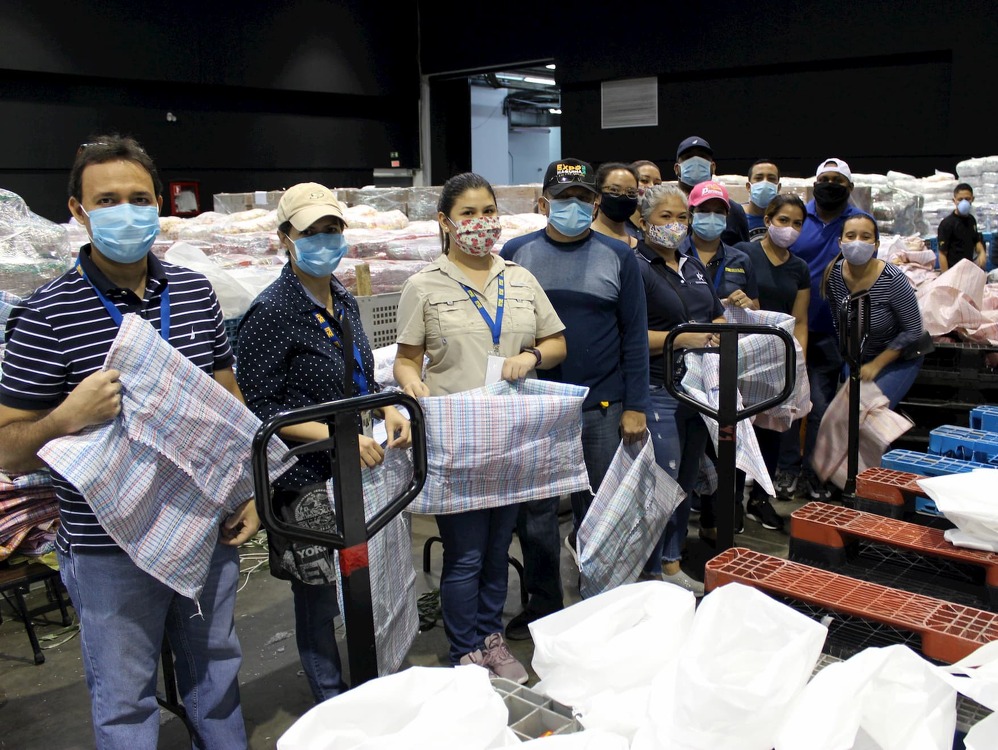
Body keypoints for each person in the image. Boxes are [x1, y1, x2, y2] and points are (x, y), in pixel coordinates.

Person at [0, 135, 255, 748]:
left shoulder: (193, 293)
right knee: (124, 702)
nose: (127, 211)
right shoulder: (46, 312)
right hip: (106, 544)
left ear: (159, 205)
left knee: (216, 678)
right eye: (107, 200)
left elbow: (230, 405)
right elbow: (6, 447)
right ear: (78, 211)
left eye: (139, 198)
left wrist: (248, 491)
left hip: (203, 526)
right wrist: (66, 417)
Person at [235, 183, 412, 703]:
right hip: (303, 477)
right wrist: (334, 437)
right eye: (311, 232)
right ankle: (332, 699)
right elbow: (260, 409)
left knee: (360, 578)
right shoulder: (272, 311)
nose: (324, 240)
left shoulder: (341, 297)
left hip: (354, 471)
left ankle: (371, 680)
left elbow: (360, 374)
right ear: (285, 239)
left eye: (332, 229)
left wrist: (386, 407)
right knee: (316, 595)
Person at [394, 172, 567, 679]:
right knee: (466, 553)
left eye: (487, 212)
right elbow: (406, 360)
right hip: (458, 438)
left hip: (511, 437)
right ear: (445, 222)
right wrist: (413, 385)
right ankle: (464, 649)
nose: (480, 223)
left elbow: (557, 344)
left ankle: (491, 638)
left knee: (498, 549)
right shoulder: (423, 285)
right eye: (467, 214)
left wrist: (532, 355)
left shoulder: (518, 277)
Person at [500, 158, 648, 637]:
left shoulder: (619, 256)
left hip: (601, 405)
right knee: (537, 513)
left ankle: (598, 599)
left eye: (583, 199)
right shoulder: (515, 253)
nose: (575, 207)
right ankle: (542, 603)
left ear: (596, 203)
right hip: (534, 405)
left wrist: (635, 405)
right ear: (543, 203)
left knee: (598, 507)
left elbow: (634, 336)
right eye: (564, 199)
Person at [635, 183, 724, 594]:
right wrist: (682, 338)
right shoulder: (636, 267)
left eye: (681, 217)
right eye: (664, 218)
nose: (675, 225)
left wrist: (718, 330)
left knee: (687, 480)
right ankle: (650, 567)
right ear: (643, 222)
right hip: (659, 390)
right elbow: (629, 335)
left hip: (698, 390)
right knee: (662, 483)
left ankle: (671, 561)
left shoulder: (692, 265)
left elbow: (715, 315)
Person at [774, 157, 871, 503]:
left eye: (837, 180)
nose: (830, 184)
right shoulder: (799, 217)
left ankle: (813, 473)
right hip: (794, 327)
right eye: (824, 178)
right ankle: (786, 468)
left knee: (818, 405)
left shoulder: (859, 223)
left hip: (832, 332)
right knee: (788, 402)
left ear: (849, 186)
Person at [679, 180, 758, 542]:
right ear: (691, 214)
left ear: (727, 217)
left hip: (724, 364)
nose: (711, 218)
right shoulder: (675, 252)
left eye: (718, 212)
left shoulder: (741, 258)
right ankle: (683, 525)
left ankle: (720, 518)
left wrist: (746, 303)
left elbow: (757, 309)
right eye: (704, 211)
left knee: (725, 440)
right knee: (690, 445)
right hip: (681, 361)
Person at [734, 195, 811, 530]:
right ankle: (731, 500)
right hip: (745, 355)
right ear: (767, 220)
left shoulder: (799, 268)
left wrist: (797, 362)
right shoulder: (743, 253)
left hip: (779, 359)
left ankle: (760, 499)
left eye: (797, 223)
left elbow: (801, 320)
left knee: (773, 429)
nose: (789, 229)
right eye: (783, 221)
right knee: (737, 429)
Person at [821, 213, 924, 408]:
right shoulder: (833, 275)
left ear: (876, 244)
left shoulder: (893, 279)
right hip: (859, 356)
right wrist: (853, 359)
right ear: (840, 242)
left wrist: (877, 365)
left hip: (900, 358)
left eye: (865, 237)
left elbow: (913, 330)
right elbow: (839, 322)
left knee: (870, 413)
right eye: (850, 236)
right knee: (846, 412)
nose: (857, 242)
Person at [674, 136, 749, 246]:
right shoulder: (667, 209)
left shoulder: (733, 210)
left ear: (712, 167)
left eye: (703, 157)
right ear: (677, 169)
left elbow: (743, 250)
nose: (696, 162)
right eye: (688, 157)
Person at [938, 182, 987, 271]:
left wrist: (982, 252)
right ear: (954, 201)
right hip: (953, 271)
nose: (964, 202)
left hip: (968, 269)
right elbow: (942, 253)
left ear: (973, 199)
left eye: (967, 199)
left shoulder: (972, 220)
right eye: (960, 199)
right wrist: (946, 276)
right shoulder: (947, 224)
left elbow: (976, 239)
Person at [591, 161, 640, 248]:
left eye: (631, 192)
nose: (623, 197)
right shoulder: (582, 241)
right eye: (614, 190)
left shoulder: (642, 249)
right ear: (597, 196)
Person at [743, 159, 781, 241]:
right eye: (759, 178)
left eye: (771, 179)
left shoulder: (783, 219)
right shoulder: (736, 217)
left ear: (778, 187)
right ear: (748, 187)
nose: (765, 183)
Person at [627, 159, 664, 239]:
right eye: (644, 181)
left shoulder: (663, 228)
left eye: (657, 183)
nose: (651, 186)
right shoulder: (616, 226)